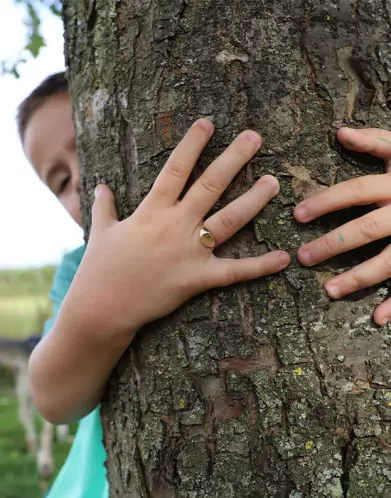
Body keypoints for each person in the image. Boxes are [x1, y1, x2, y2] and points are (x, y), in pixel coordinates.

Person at [18, 72, 391, 497]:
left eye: (86, 147)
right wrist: (104, 302)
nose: (81, 178)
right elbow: (54, 398)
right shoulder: (78, 267)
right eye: (61, 181)